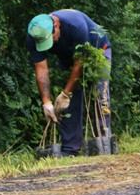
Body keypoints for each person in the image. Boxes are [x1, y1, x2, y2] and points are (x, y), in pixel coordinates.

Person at [26, 10, 112, 157]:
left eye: (51, 38)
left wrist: (66, 93)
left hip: (97, 51)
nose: (51, 44)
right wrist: (46, 102)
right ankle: (71, 149)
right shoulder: (34, 35)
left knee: (100, 96)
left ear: (56, 25)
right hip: (67, 58)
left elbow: (79, 63)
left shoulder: (75, 25)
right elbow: (41, 69)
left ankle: (103, 142)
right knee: (68, 104)